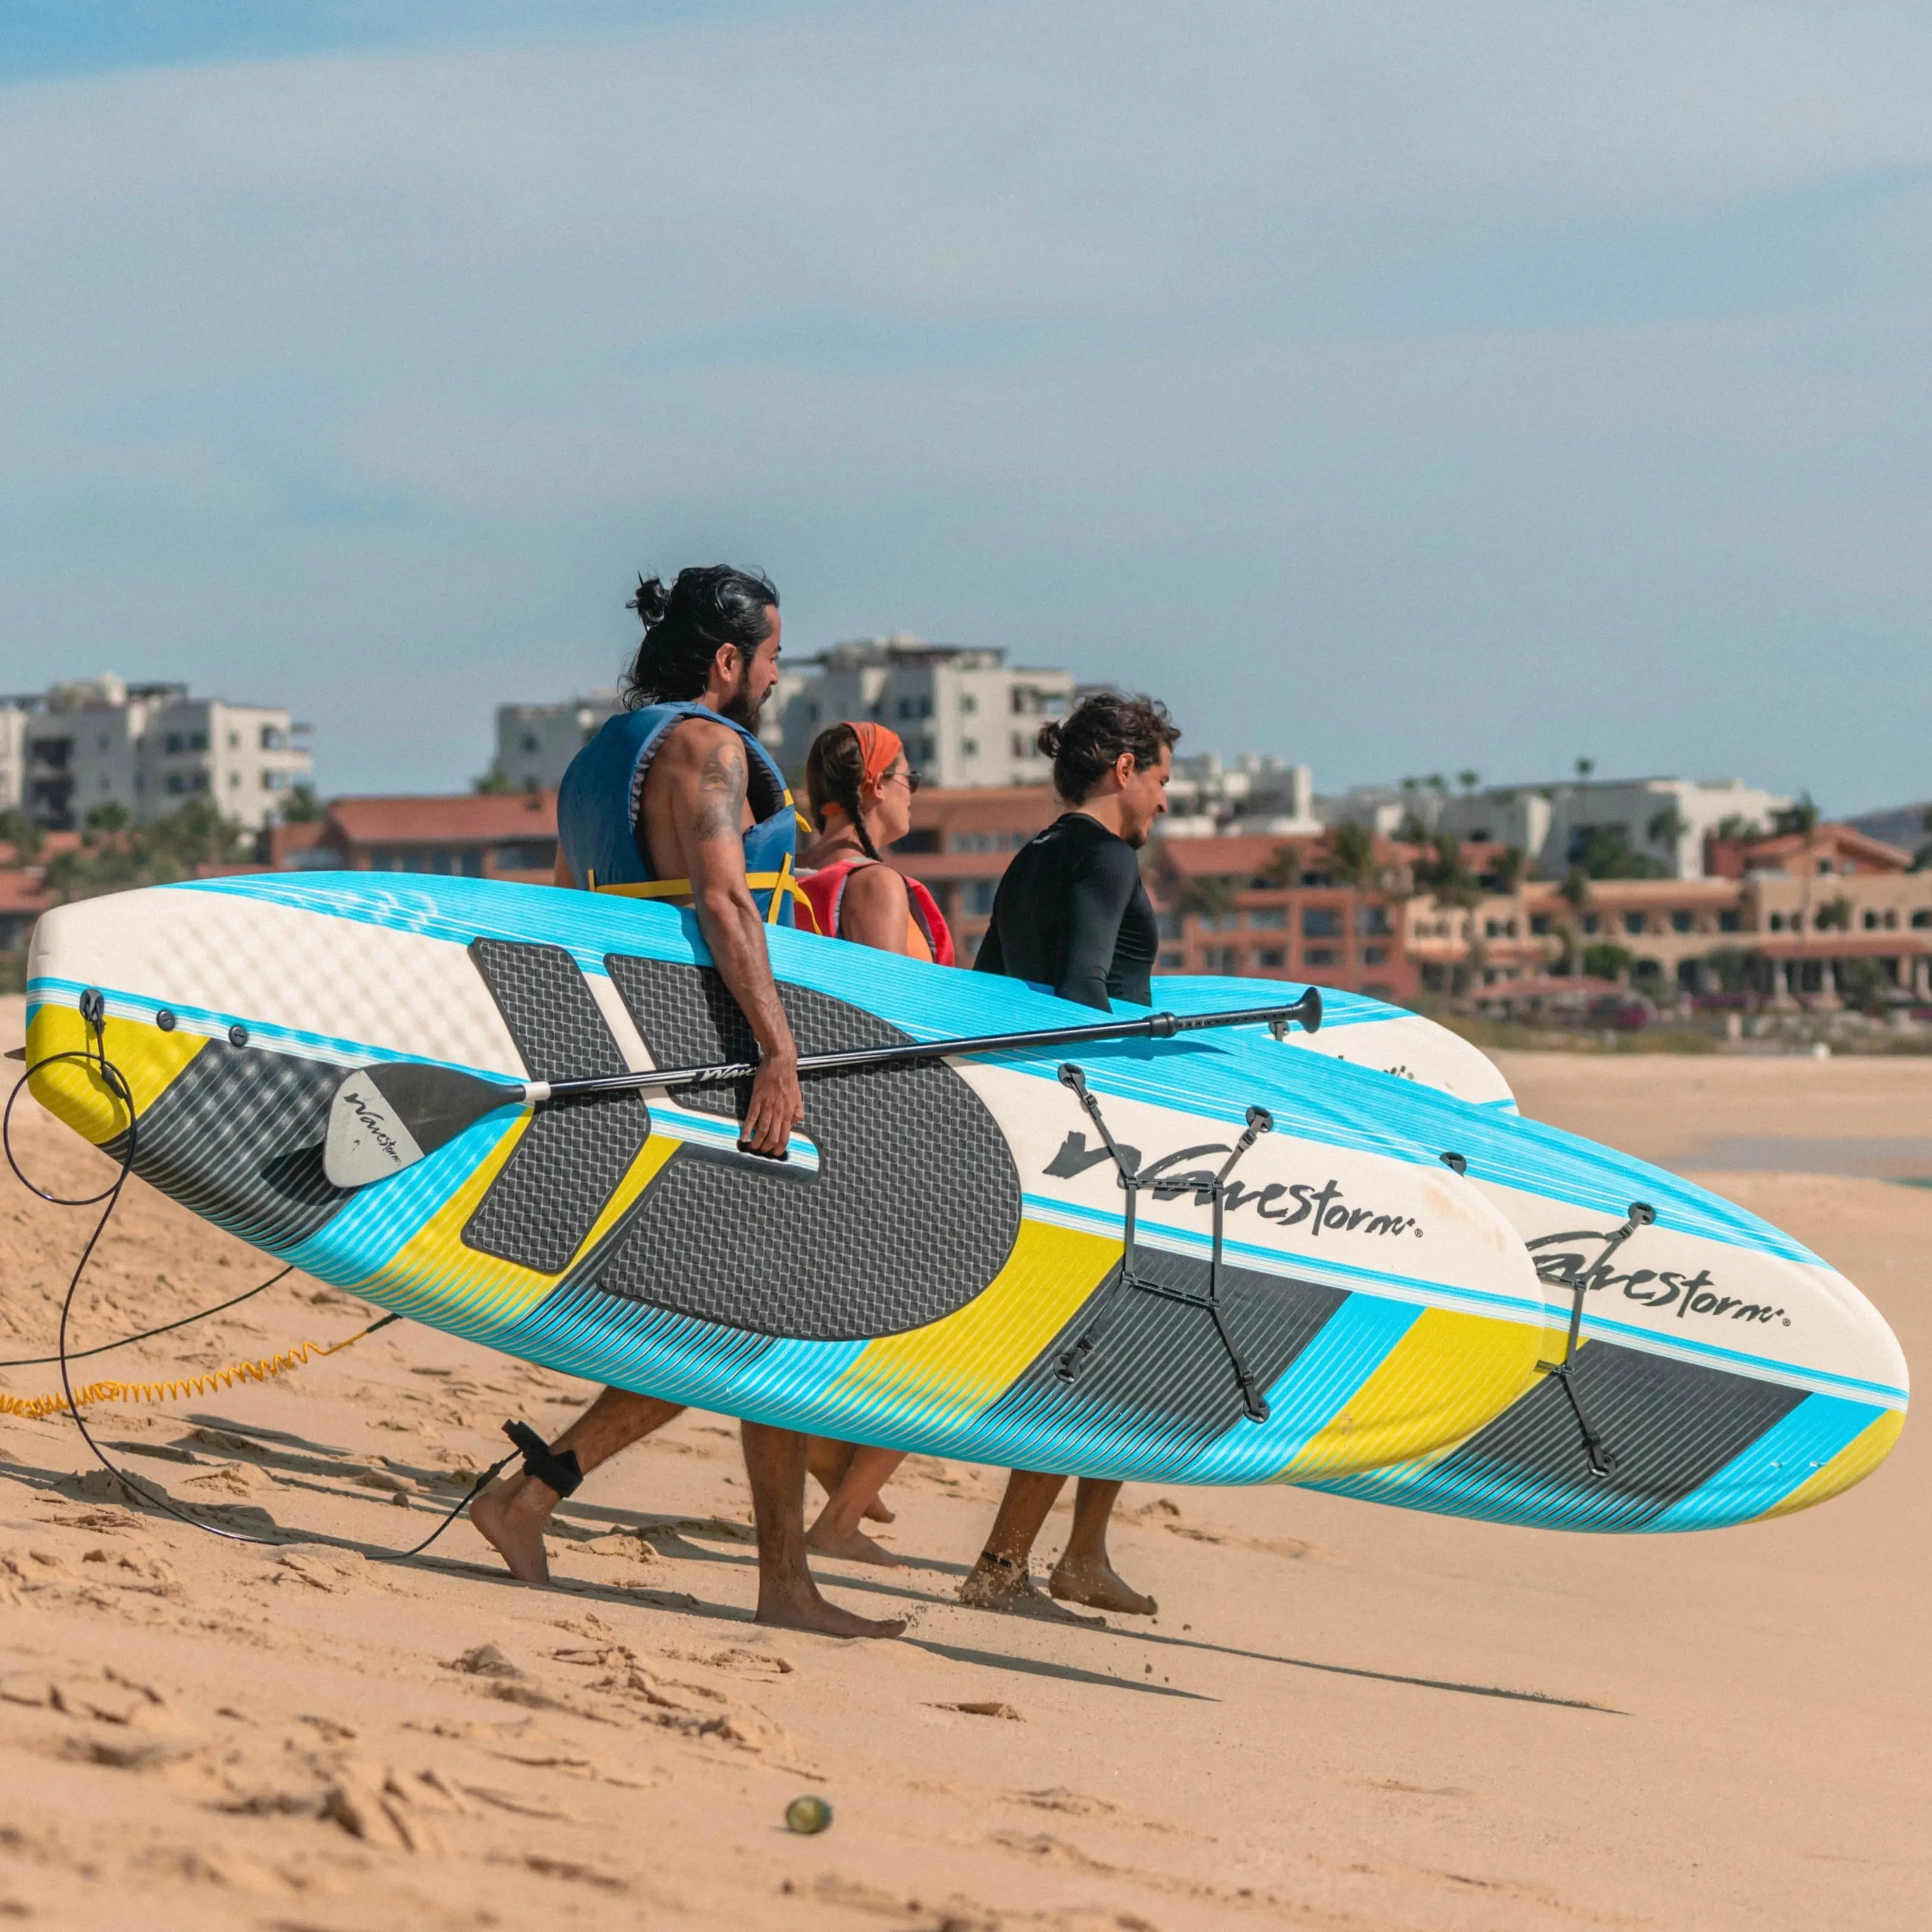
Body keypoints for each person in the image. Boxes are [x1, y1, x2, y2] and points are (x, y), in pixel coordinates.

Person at [469, 564, 904, 1641]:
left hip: (643, 1053)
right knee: (756, 1318)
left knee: (734, 1322)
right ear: (725, 660)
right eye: (768, 657)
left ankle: (537, 1503)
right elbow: (721, 903)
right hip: (715, 1060)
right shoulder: (706, 749)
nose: (772, 677)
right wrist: (779, 1051)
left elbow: (578, 915)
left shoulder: (591, 765)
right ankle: (773, 1582)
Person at [957, 689, 1179, 1623]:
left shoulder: (1033, 855)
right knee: (1088, 1351)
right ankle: (1004, 1566)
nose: (1166, 800)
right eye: (1162, 778)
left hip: (1037, 1119)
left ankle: (1082, 1552)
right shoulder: (1104, 856)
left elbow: (982, 990)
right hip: (1095, 1135)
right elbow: (1083, 993)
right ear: (1124, 769)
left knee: (1111, 1350)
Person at [791, 719, 952, 1564]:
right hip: (881, 1139)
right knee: (941, 1335)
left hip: (813, 1128)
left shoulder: (794, 877)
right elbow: (885, 1027)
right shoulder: (874, 887)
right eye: (906, 774)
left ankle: (835, 1472)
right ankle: (841, 1513)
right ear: (873, 788)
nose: (913, 789)